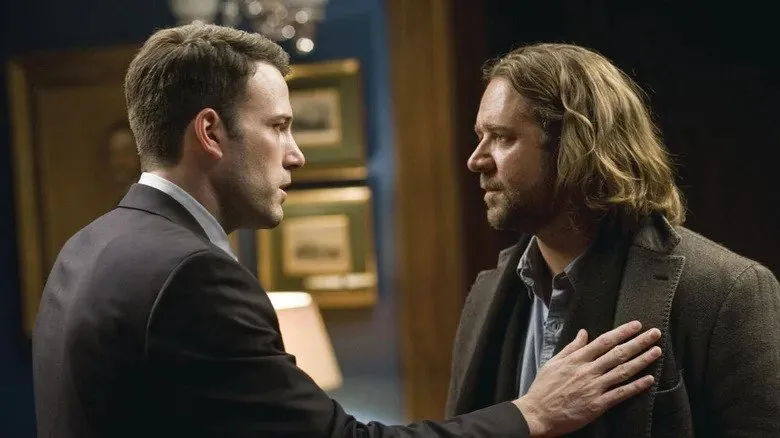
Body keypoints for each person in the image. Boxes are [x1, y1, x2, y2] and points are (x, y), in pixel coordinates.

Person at [32, 24, 662, 438]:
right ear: (210, 133)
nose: (296, 154)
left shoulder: (87, 246)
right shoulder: (193, 273)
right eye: (279, 126)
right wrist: (531, 414)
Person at [447, 42, 780, 437]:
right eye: (480, 136)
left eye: (502, 138)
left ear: (574, 146)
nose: (476, 160)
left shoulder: (727, 290)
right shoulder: (485, 294)